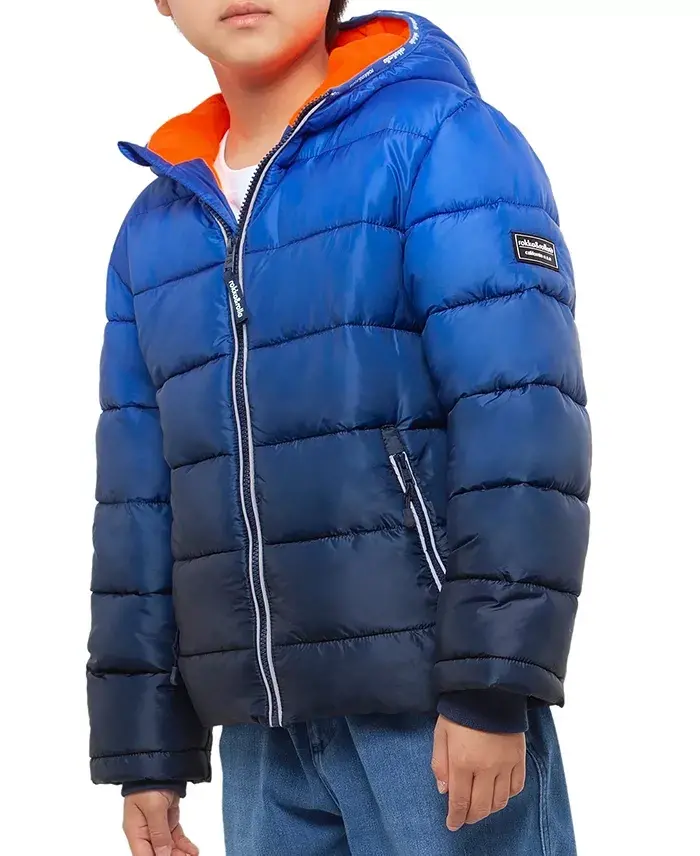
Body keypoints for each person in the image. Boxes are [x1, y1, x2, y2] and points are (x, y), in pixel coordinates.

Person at [87, 2, 591, 854]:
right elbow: (139, 500)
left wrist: (491, 681)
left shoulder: (440, 140)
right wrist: (147, 748)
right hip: (261, 731)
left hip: (432, 708)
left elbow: (521, 416)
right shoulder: (156, 227)